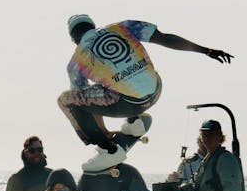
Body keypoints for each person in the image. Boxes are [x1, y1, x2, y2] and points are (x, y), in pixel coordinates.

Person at [59, 14, 233, 171]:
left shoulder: (76, 61)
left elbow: (85, 103)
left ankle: (108, 150)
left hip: (125, 104)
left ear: (74, 39)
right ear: (93, 25)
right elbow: (166, 39)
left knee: (65, 100)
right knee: (127, 78)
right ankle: (134, 124)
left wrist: (102, 132)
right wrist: (207, 51)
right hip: (155, 91)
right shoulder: (122, 27)